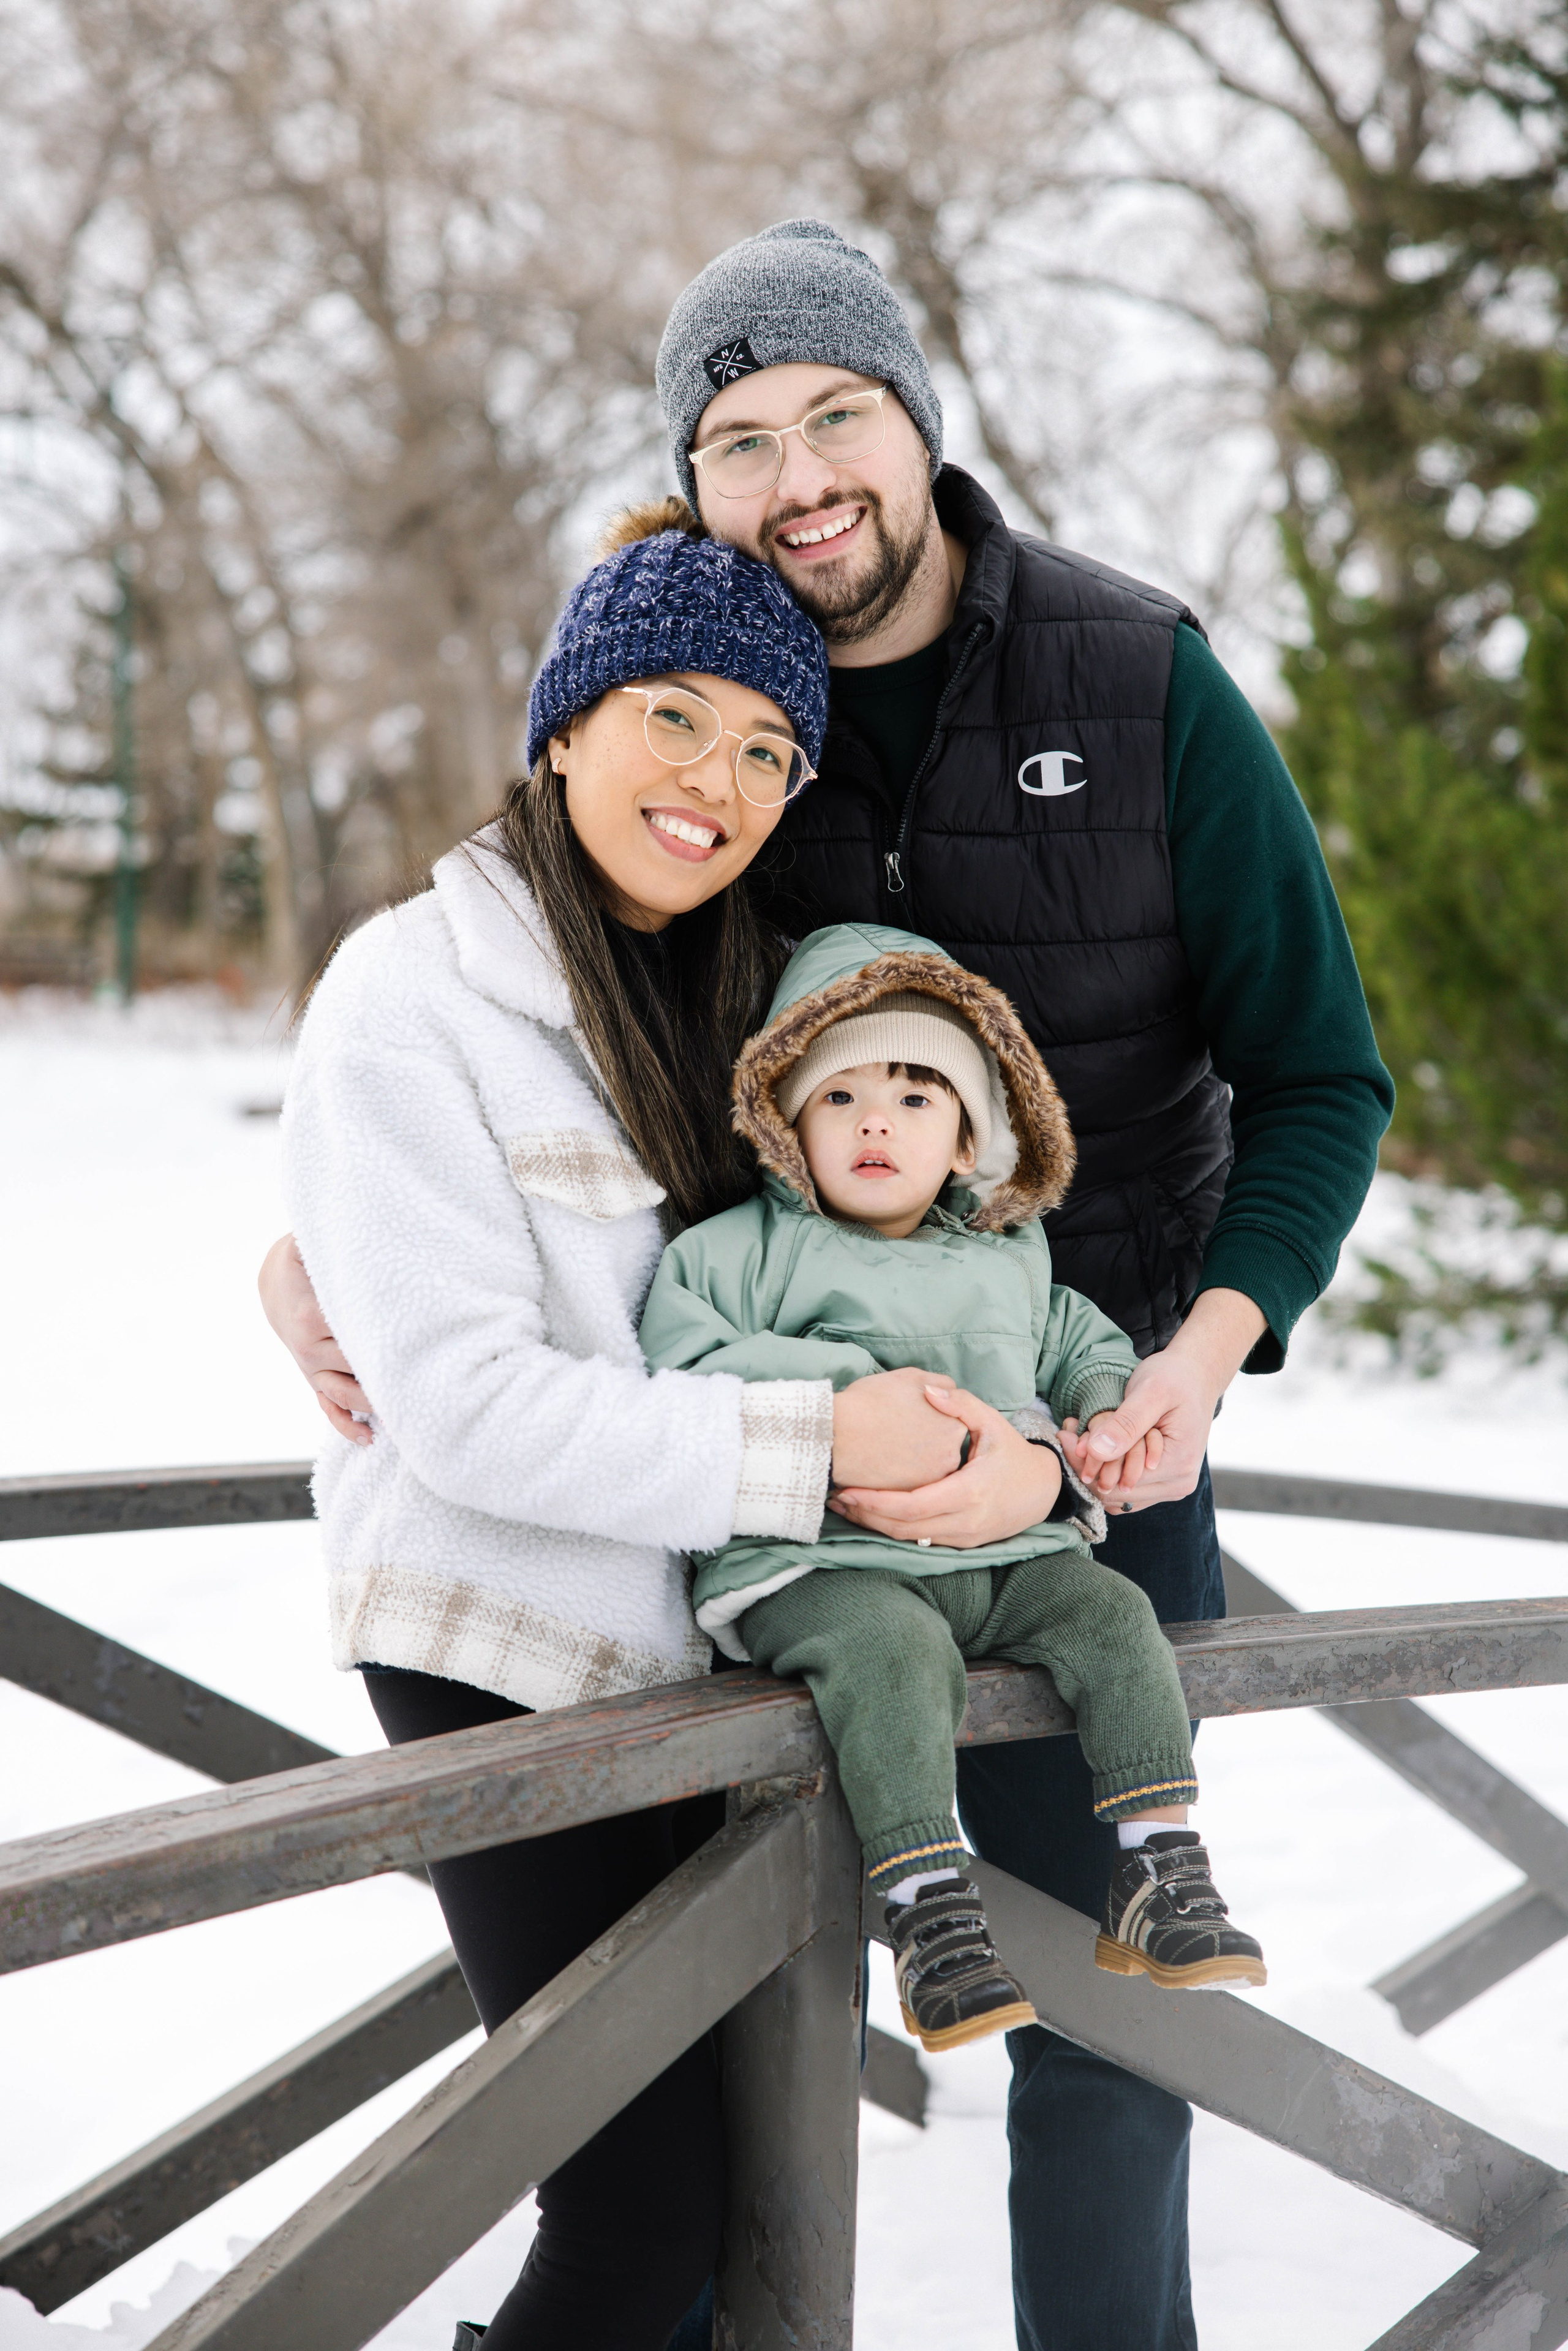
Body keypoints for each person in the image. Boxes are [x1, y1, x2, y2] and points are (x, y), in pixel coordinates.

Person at [266, 221, 1394, 2347]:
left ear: (918, 421)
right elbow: (499, 1013)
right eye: (738, 440)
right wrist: (307, 1238)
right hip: (740, 1514)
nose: (797, 478)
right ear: (688, 498)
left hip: (1088, 1442)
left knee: (1107, 1998)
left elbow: (1320, 1069)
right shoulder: (705, 716)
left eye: (836, 416)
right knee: (713, 2078)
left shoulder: (1137, 675)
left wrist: (1200, 1361)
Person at [274, 505, 979, 2351]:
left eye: (768, 749)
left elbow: (865, 1250)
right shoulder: (409, 994)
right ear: (565, 723)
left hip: (713, 1643)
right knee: (632, 2203)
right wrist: (819, 1452)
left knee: (755, 2185)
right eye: (676, 717)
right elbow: (473, 1409)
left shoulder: (749, 992)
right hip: (499, 1639)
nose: (721, 779)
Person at [640, 920, 1266, 2053]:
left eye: (918, 1095)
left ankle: (1155, 1859)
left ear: (974, 1135)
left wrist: (1110, 1400)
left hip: (1000, 1562)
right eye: (840, 1097)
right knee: (893, 1661)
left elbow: (1071, 1335)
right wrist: (854, 1388)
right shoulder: (734, 1251)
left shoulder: (1007, 1252)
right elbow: (685, 1361)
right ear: (784, 1121)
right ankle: (930, 1907)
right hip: (830, 1563)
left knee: (1118, 1616)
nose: (878, 1119)